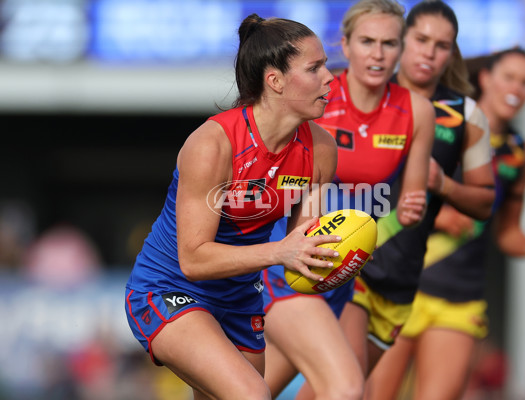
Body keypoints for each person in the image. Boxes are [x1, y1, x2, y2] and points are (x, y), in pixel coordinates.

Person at [124, 13, 341, 400]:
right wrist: (281, 252)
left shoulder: (321, 148)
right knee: (253, 395)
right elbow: (194, 259)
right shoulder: (213, 144)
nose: (330, 78)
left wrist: (338, 254)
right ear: (274, 80)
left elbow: (302, 247)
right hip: (171, 288)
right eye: (315, 67)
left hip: (241, 299)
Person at [260, 1, 436, 398]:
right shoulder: (316, 96)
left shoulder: (417, 111)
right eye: (367, 41)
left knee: (257, 389)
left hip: (346, 271)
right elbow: (270, 164)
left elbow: (412, 200)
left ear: (402, 48)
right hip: (291, 262)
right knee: (345, 387)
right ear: (346, 44)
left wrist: (410, 208)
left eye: (389, 43)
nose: (377, 53)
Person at [370, 47, 525, 400]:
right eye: (509, 77)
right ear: (486, 79)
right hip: (404, 281)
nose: (517, 89)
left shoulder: (520, 153)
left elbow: (507, 232)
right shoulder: (444, 123)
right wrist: (442, 213)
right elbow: (387, 189)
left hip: (460, 298)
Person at [336, 1, 497, 398]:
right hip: (351, 265)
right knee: (347, 386)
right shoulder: (357, 92)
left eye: (442, 45)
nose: (429, 52)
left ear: (452, 53)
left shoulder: (467, 116)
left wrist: (444, 185)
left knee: (345, 390)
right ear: (401, 40)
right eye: (421, 39)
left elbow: (484, 202)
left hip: (404, 278)